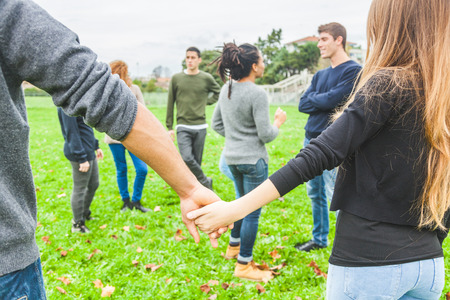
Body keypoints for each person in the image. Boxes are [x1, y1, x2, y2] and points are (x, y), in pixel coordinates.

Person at [189, 0, 450, 298]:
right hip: (429, 264)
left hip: (371, 266)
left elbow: (319, 153)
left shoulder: (388, 82)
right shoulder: (441, 93)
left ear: (390, 24)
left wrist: (234, 209)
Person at [0, 1, 226, 299]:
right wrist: (187, 187)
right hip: (7, 263)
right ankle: (97, 212)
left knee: (121, 175)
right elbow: (98, 94)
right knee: (112, 175)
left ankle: (123, 203)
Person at [211, 42, 287, 281]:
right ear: (254, 66)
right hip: (254, 161)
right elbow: (266, 135)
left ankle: (233, 246)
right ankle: (244, 265)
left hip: (232, 158)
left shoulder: (227, 89)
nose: (264, 64)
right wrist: (278, 122)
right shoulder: (257, 93)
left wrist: (235, 137)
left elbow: (216, 124)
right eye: (262, 60)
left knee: (240, 204)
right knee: (252, 211)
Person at [296, 22, 361, 252]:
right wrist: (322, 100)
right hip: (310, 139)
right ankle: (319, 239)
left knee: (336, 193)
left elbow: (335, 100)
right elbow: (303, 104)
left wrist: (320, 99)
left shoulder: (354, 70)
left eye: (323, 39)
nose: (319, 44)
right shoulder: (320, 74)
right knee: (315, 192)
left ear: (339, 40)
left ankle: (350, 245)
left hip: (334, 142)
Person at [166, 47, 221, 190]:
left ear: (199, 60)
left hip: (200, 127)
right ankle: (206, 182)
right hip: (183, 126)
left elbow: (218, 92)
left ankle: (195, 192)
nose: (189, 60)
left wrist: (205, 102)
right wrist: (169, 127)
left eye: (193, 58)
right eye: (187, 57)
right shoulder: (177, 78)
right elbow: (170, 102)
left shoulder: (206, 78)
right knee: (186, 158)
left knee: (196, 162)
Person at [105, 60, 149, 213]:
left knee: (142, 169)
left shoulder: (134, 89)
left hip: (133, 137)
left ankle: (136, 200)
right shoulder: (107, 91)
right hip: (114, 139)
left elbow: (143, 111)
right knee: (121, 169)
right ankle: (126, 201)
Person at [58, 108, 103, 233]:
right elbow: (71, 133)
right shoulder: (66, 107)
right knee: (80, 189)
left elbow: (86, 127)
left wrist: (96, 145)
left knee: (94, 184)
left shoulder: (77, 102)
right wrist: (81, 158)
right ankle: (77, 224)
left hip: (89, 151)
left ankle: (84, 213)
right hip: (79, 154)